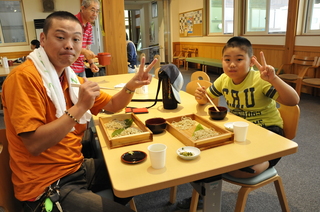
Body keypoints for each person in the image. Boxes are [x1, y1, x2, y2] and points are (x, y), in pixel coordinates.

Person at [2, 11, 157, 212]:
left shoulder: (71, 79)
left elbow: (113, 106)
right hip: (45, 186)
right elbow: (34, 144)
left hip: (75, 167)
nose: (69, 45)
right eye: (60, 37)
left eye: (76, 39)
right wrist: (81, 107)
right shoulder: (24, 78)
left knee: (138, 168)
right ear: (43, 38)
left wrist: (131, 86)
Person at [178, 36, 300, 209]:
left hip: (268, 132)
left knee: (236, 169)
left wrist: (273, 79)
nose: (232, 64)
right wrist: (201, 97)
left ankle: (265, 160)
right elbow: (208, 99)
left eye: (239, 59)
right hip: (240, 133)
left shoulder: (260, 80)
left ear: (251, 61)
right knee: (204, 154)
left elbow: (293, 100)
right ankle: (206, 195)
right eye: (227, 60)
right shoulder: (223, 79)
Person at [71, 0, 100, 77]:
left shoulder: (89, 26)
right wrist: (84, 51)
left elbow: (87, 48)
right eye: (92, 10)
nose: (95, 14)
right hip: (69, 67)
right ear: (83, 9)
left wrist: (91, 63)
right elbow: (66, 45)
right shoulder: (72, 22)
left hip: (81, 67)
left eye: (97, 11)